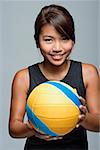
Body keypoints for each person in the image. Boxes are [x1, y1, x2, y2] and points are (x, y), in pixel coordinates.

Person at [9, 4, 100, 150]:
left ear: (73, 40)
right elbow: (14, 128)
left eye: (64, 39)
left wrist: (83, 116)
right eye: (48, 40)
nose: (57, 48)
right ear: (37, 41)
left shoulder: (88, 73)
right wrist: (33, 129)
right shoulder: (23, 77)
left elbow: (98, 124)